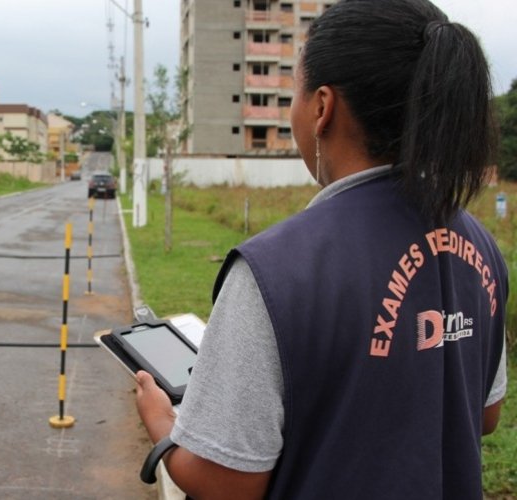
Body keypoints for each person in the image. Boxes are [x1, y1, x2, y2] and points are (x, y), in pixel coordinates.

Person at [135, 0, 509, 498]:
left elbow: (226, 483)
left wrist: (162, 423)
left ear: (322, 108)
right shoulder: (481, 245)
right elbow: (484, 413)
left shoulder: (274, 271)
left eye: (294, 89)